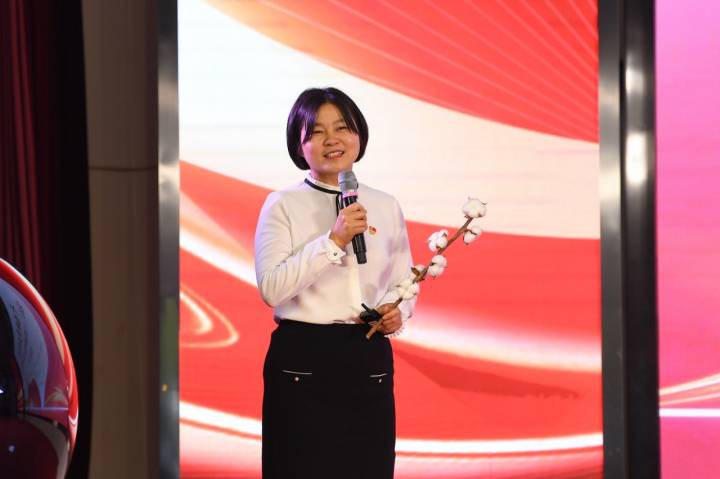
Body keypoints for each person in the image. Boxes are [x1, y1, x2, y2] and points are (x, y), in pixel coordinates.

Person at [254, 87, 417, 479]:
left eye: (342, 127)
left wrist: (397, 312)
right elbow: (272, 288)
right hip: (303, 357)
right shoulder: (282, 204)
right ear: (299, 145)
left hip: (367, 353)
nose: (332, 140)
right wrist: (333, 241)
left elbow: (404, 281)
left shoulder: (385, 204)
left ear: (358, 134)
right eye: (316, 132)